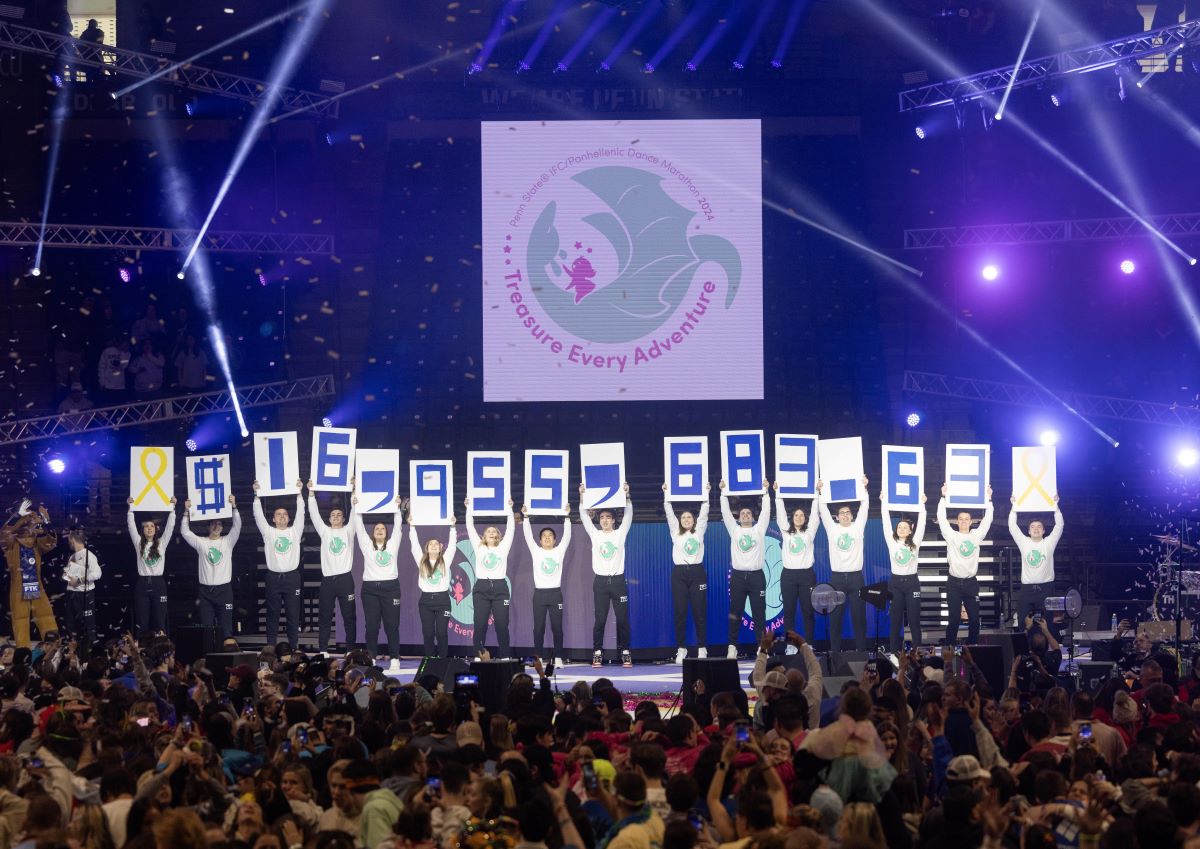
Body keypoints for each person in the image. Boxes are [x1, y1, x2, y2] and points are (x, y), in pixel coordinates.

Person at [580, 481, 634, 668]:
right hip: (601, 582)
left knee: (622, 619)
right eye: (602, 517)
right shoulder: (595, 535)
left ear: (613, 520)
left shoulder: (620, 534)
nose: (604, 520)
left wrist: (627, 496)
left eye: (608, 517)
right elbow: (584, 518)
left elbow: (628, 515)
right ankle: (597, 652)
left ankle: (625, 652)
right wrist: (582, 496)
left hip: (618, 581)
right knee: (600, 619)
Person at [350, 494, 404, 668]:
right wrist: (356, 506)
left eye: (382, 528)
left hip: (391, 588)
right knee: (372, 627)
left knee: (391, 626)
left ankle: (394, 658)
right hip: (370, 590)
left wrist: (397, 508)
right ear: (372, 533)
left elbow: (398, 526)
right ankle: (371, 658)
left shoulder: (393, 544)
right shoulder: (366, 545)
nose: (379, 530)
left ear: (386, 533)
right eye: (376, 529)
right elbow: (359, 527)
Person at [719, 481, 771, 659]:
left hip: (757, 577)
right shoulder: (734, 530)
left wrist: (765, 492)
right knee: (735, 613)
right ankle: (732, 646)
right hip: (738, 577)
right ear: (739, 517)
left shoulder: (759, 530)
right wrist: (723, 492)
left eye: (749, 513)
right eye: (743, 513)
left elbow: (766, 512)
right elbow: (725, 513)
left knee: (759, 614)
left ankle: (762, 648)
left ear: (752, 516)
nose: (746, 515)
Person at [818, 476, 870, 652]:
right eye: (842, 513)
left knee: (859, 618)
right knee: (835, 619)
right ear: (837, 516)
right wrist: (820, 491)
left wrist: (864, 488)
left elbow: (865, 507)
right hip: (837, 579)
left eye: (848, 512)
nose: (845, 515)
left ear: (852, 515)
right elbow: (823, 510)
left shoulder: (857, 527)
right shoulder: (832, 528)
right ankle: (835, 653)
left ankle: (861, 652)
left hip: (856, 579)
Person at [252, 480, 305, 650]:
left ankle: (294, 647)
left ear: (289, 518)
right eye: (278, 515)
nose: (282, 516)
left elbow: (301, 514)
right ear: (273, 519)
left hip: (292, 578)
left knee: (292, 615)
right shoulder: (269, 532)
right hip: (273, 578)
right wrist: (256, 496)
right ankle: (270, 647)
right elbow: (258, 516)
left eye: (285, 514)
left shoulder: (295, 531)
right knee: (272, 614)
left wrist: (299, 494)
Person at [937, 483, 993, 646]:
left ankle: (973, 648)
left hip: (971, 583)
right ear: (957, 521)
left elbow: (988, 520)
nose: (963, 521)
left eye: (966, 519)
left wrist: (989, 499)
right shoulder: (951, 536)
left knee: (975, 620)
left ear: (971, 521)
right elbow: (941, 518)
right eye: (960, 519)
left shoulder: (976, 536)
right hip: (953, 584)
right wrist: (943, 497)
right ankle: (949, 649)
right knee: (953, 620)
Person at [179, 495, 241, 641]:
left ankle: (227, 657)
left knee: (226, 629)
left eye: (219, 523)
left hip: (224, 590)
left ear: (222, 527)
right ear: (208, 526)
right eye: (213, 523)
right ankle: (207, 659)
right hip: (205, 592)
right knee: (206, 629)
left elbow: (237, 526)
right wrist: (186, 512)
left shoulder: (228, 541)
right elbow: (185, 532)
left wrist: (234, 507)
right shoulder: (202, 543)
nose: (216, 526)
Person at [307, 483, 357, 652]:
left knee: (349, 617)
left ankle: (350, 650)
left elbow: (355, 511)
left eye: (339, 515)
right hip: (328, 581)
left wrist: (354, 490)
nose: (335, 517)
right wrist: (311, 495)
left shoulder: (349, 530)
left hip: (345, 579)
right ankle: (323, 650)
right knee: (325, 617)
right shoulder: (325, 531)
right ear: (329, 519)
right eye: (333, 515)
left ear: (343, 519)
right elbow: (314, 515)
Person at [664, 482, 710, 664]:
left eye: (689, 517)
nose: (686, 519)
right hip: (679, 575)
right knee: (681, 612)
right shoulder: (676, 532)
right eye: (683, 517)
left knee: (699, 612)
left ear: (693, 519)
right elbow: (669, 514)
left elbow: (705, 514)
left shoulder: (699, 532)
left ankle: (702, 648)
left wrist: (706, 493)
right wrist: (666, 494)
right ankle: (681, 649)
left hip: (697, 572)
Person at [464, 497, 516, 659]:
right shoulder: (479, 548)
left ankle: (506, 657)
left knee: (502, 625)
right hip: (481, 589)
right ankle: (479, 656)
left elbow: (511, 529)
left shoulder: (503, 548)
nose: (492, 533)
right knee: (479, 625)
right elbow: (470, 527)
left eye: (495, 531)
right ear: (484, 537)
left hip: (500, 589)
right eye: (489, 531)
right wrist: (468, 508)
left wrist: (509, 509)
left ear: (498, 536)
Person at [521, 504, 572, 667]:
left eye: (550, 535)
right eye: (544, 535)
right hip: (540, 595)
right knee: (539, 629)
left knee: (557, 628)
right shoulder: (536, 551)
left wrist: (567, 517)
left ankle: (558, 657)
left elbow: (568, 536)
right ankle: (539, 658)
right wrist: (526, 517)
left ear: (555, 540)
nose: (548, 537)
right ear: (540, 540)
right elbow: (527, 535)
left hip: (555, 593)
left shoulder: (559, 551)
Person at [1, 505, 59, 646]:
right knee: (21, 621)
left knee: (46, 618)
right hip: (18, 588)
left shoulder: (36, 542)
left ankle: (53, 650)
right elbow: (3, 535)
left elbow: (50, 542)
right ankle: (23, 653)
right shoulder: (11, 542)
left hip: (37, 587)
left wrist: (46, 522)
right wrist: (16, 517)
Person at [775, 482, 820, 648]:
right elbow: (780, 514)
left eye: (802, 515)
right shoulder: (786, 532)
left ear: (805, 518)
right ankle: (790, 645)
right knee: (789, 612)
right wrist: (777, 493)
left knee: (808, 611)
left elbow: (816, 516)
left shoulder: (810, 532)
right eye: (796, 516)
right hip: (788, 576)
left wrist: (816, 493)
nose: (799, 518)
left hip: (807, 576)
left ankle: (808, 644)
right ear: (792, 518)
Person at [1009, 494, 1065, 625]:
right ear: (1028, 531)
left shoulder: (1049, 542)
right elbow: (1012, 526)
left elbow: (1060, 525)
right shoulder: (1024, 542)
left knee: (1049, 623)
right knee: (1022, 622)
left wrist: (1056, 507)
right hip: (1026, 589)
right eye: (1033, 527)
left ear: (1044, 530)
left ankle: (1049, 645)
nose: (1036, 529)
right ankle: (1023, 645)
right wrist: (1014, 507)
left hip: (1047, 588)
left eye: (1039, 526)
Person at [882, 494, 927, 651]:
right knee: (895, 621)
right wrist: (884, 502)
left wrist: (922, 505)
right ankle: (894, 654)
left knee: (914, 621)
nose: (901, 529)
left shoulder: (915, 542)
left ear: (910, 530)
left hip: (912, 584)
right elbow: (886, 524)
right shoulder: (892, 542)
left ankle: (917, 654)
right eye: (899, 527)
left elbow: (922, 523)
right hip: (895, 584)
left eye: (904, 527)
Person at [126, 496, 175, 636]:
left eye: (152, 526)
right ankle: (142, 653)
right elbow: (131, 527)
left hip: (158, 584)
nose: (149, 528)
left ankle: (161, 652)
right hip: (142, 584)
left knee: (160, 623)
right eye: (146, 526)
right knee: (142, 623)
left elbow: (170, 528)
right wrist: (130, 509)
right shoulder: (138, 543)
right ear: (143, 529)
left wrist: (172, 509)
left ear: (156, 529)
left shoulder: (161, 543)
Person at [410, 516, 457, 658]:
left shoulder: (445, 560)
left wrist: (453, 527)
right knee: (428, 632)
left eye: (437, 544)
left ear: (441, 547)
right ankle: (429, 658)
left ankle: (442, 659)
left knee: (441, 632)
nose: (434, 546)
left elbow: (453, 545)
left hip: (443, 600)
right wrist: (412, 527)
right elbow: (414, 545)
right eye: (431, 544)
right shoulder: (421, 560)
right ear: (427, 548)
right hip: (426, 601)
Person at [63, 529, 102, 646]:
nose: (68, 542)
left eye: (69, 539)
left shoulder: (89, 556)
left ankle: (90, 653)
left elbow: (97, 574)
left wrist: (79, 580)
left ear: (72, 539)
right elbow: (68, 576)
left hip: (84, 596)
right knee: (71, 625)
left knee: (87, 625)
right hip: (71, 595)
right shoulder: (72, 557)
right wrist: (66, 576)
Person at [96, 336, 131, 406]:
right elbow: (101, 367)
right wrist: (101, 382)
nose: (124, 344)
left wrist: (122, 352)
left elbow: (124, 366)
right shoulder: (107, 351)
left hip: (120, 386)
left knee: (120, 408)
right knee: (107, 408)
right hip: (107, 385)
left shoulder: (127, 353)